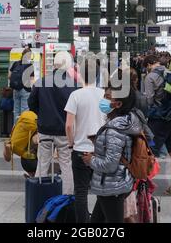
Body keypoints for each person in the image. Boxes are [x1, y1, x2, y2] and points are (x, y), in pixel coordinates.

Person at [82, 85, 147, 223]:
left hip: (111, 186)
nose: (103, 101)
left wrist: (90, 160)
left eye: (107, 97)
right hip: (112, 184)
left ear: (118, 104)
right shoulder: (123, 124)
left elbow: (110, 165)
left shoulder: (114, 130)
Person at [28, 52, 77, 195]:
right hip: (64, 130)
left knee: (42, 163)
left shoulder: (41, 81)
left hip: (45, 129)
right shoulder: (73, 85)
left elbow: (31, 102)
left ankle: (39, 194)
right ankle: (67, 195)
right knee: (66, 164)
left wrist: (42, 114)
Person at [65, 58, 105, 223]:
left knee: (80, 192)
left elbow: (68, 125)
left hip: (80, 150)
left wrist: (71, 143)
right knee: (103, 190)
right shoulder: (105, 95)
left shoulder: (75, 95)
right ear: (97, 75)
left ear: (80, 74)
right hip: (100, 151)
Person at [143, 54, 171, 197]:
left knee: (149, 152)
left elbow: (149, 99)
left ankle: (145, 185)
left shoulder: (150, 77)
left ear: (149, 64)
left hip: (157, 119)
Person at [10, 48, 34, 124]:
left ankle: (15, 131)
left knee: (16, 111)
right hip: (25, 90)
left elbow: (9, 76)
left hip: (16, 89)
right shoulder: (29, 65)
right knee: (24, 111)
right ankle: (22, 131)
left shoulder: (15, 63)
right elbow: (32, 80)